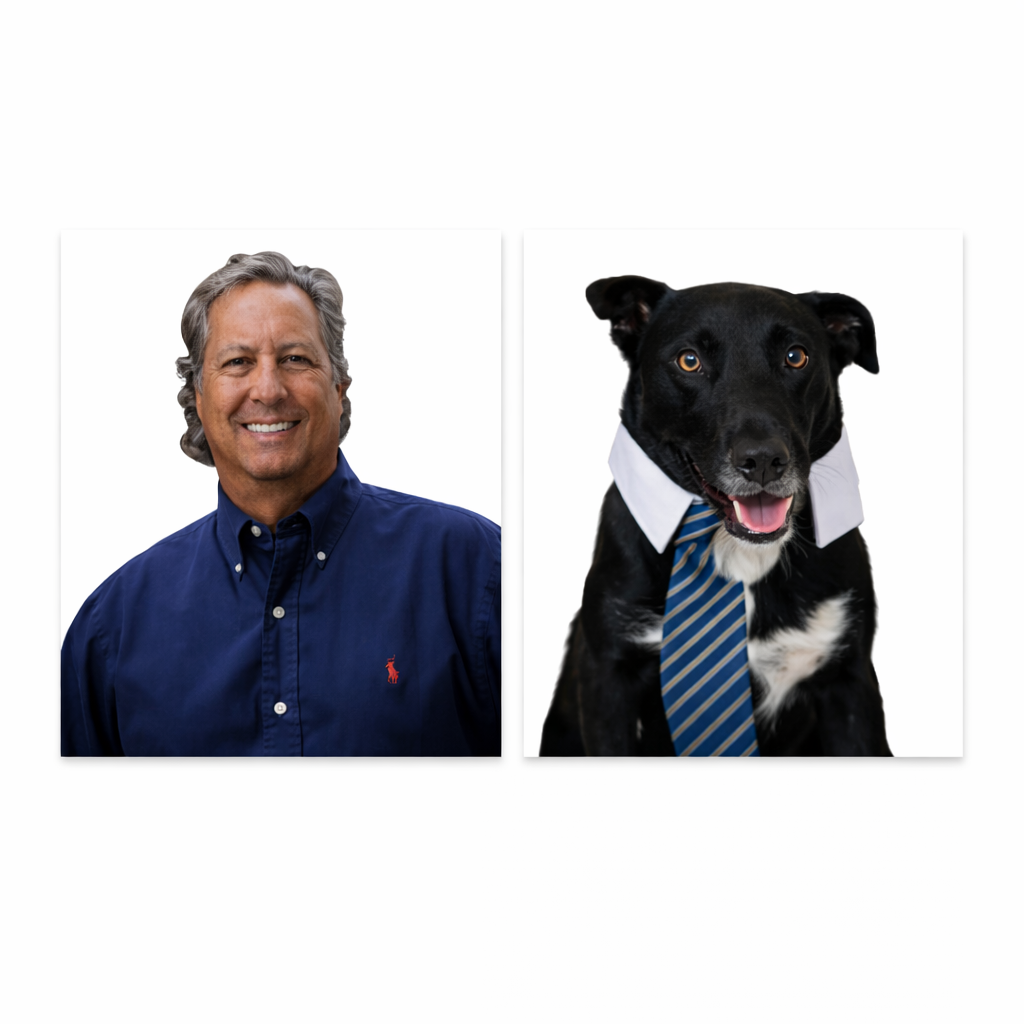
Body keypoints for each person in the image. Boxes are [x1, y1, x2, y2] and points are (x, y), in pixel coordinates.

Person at [61, 252, 500, 756]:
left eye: (295, 358)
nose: (267, 390)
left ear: (339, 389)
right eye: (237, 362)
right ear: (198, 398)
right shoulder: (111, 627)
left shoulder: (475, 570)